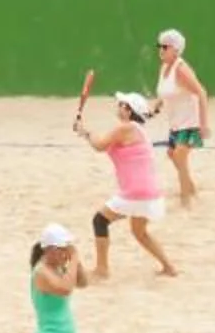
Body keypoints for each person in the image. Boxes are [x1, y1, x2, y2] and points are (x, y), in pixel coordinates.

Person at [74, 90, 176, 279]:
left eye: (123, 104)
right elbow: (104, 143)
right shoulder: (136, 129)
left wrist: (85, 132)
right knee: (140, 232)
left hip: (135, 192)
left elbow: (100, 145)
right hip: (149, 191)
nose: (119, 106)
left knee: (100, 220)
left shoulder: (126, 129)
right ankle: (169, 267)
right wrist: (86, 133)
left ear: (129, 111)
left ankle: (102, 270)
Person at [153, 28, 212, 202]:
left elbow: (201, 92)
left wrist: (204, 124)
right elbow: (165, 92)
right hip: (176, 123)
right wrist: (156, 105)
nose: (161, 50)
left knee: (179, 155)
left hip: (190, 122)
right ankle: (191, 188)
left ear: (176, 50)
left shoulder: (181, 69)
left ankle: (185, 199)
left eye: (165, 47)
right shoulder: (164, 67)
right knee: (172, 154)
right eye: (159, 46)